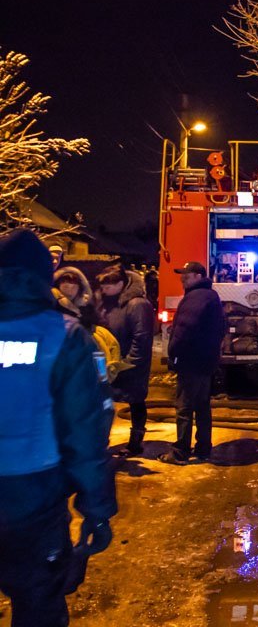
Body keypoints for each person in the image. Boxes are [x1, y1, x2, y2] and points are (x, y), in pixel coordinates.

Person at [0, 229, 117, 627]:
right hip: (34, 497)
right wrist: (97, 510)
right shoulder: (64, 337)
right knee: (37, 606)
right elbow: (86, 432)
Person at [160, 261, 226, 465]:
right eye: (182, 274)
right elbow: (222, 327)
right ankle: (203, 448)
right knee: (202, 406)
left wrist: (174, 353)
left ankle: (180, 452)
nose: (183, 278)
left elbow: (185, 329)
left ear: (199, 276)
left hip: (191, 361)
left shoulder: (195, 297)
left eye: (187, 275)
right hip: (205, 361)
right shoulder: (211, 296)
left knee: (184, 407)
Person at [96, 264, 154, 456]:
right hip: (110, 363)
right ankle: (101, 440)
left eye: (107, 287)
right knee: (104, 401)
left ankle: (135, 443)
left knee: (135, 401)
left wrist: (130, 361)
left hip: (130, 364)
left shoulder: (137, 304)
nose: (103, 291)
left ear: (121, 284)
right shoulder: (105, 302)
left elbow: (142, 336)